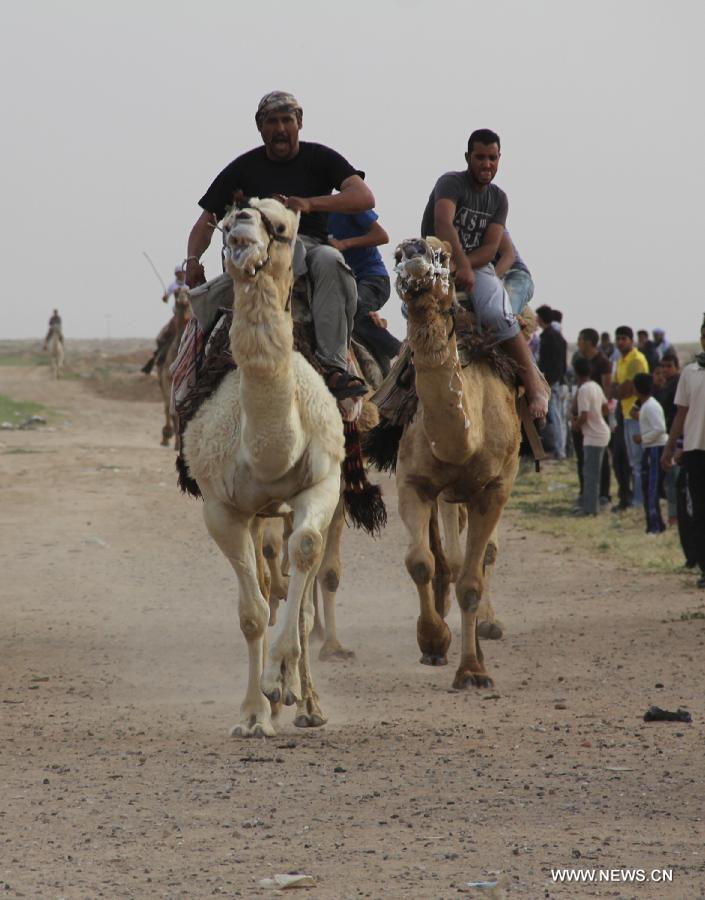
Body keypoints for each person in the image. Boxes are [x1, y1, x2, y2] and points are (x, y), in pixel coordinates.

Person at [184, 91, 375, 401]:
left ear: (299, 123)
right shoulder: (242, 168)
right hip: (257, 255)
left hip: (310, 246)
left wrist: (310, 204)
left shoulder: (321, 158)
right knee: (197, 324)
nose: (280, 127)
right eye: (272, 121)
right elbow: (207, 220)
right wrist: (192, 259)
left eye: (287, 120)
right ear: (261, 128)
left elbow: (363, 196)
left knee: (330, 258)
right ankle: (188, 392)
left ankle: (334, 365)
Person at [420, 129, 547, 418]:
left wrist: (467, 266)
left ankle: (534, 385)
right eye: (480, 157)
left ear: (499, 158)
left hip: (478, 265)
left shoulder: (498, 199)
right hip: (439, 260)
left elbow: (492, 248)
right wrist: (458, 265)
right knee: (418, 313)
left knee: (497, 315)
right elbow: (443, 225)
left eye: (492, 158)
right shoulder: (451, 183)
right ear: (468, 157)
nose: (486, 164)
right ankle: (396, 397)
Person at [327, 210, 401, 375]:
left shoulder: (347, 206)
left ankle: (399, 351)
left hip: (373, 279)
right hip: (344, 286)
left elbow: (382, 236)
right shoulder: (307, 219)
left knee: (353, 309)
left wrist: (344, 244)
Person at [662, 315, 705, 588]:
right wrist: (670, 447)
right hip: (696, 451)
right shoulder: (690, 372)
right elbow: (681, 414)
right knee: (699, 511)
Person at [571, 328, 612, 505]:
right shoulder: (580, 361)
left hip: (592, 420)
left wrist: (593, 417)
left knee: (599, 460)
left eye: (580, 340)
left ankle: (602, 494)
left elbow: (607, 392)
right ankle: (586, 494)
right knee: (583, 459)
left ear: (588, 342)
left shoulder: (602, 362)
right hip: (583, 420)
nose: (578, 343)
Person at [611, 326, 648, 508]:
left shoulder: (636, 360)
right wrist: (619, 390)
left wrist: (619, 390)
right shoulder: (621, 360)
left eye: (624, 338)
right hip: (624, 414)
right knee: (628, 461)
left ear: (631, 340)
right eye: (618, 338)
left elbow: (626, 391)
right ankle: (633, 497)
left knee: (637, 463)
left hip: (636, 414)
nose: (620, 342)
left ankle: (639, 500)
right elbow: (614, 388)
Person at [632, 373, 667, 534]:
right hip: (651, 447)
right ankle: (653, 524)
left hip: (655, 448)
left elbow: (660, 428)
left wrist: (643, 438)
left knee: (652, 488)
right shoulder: (646, 405)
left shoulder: (650, 406)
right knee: (648, 487)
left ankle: (655, 526)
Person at [141, 266, 187, 375]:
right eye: (179, 273)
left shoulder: (189, 284)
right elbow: (165, 299)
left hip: (190, 314)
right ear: (176, 274)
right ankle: (158, 359)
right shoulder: (173, 286)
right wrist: (165, 297)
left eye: (182, 272)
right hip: (178, 315)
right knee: (164, 336)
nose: (181, 274)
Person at [535, 305, 567, 458]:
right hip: (557, 380)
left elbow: (547, 362)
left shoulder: (548, 336)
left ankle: (558, 450)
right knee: (558, 415)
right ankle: (560, 448)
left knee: (554, 416)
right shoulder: (557, 335)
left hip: (551, 380)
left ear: (541, 318)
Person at [655, 352, 681, 525]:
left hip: (678, 437)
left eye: (669, 366)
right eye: (662, 366)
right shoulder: (666, 385)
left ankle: (675, 516)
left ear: (676, 367)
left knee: (674, 480)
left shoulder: (678, 384)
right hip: (669, 435)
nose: (665, 370)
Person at [493, 230, 534, 316]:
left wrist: (490, 281)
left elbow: (509, 257)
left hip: (516, 275)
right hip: (495, 278)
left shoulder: (493, 222)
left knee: (506, 315)